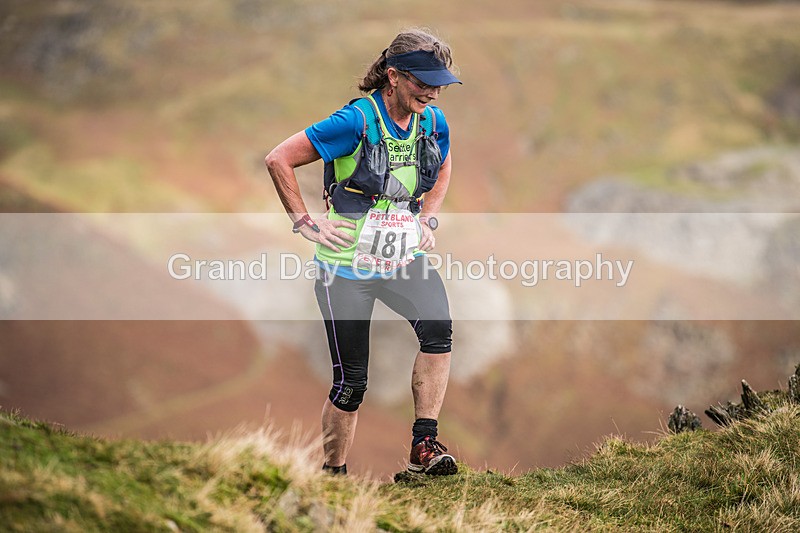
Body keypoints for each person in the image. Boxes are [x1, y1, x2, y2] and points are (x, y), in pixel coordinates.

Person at [265, 28, 461, 476]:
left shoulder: (433, 121)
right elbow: (279, 159)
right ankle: (333, 476)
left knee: (439, 333)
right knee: (352, 384)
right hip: (344, 269)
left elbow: (445, 162)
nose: (431, 92)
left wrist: (428, 218)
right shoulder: (355, 120)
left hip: (401, 259)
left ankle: (424, 444)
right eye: (422, 82)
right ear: (393, 76)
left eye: (438, 84)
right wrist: (305, 223)